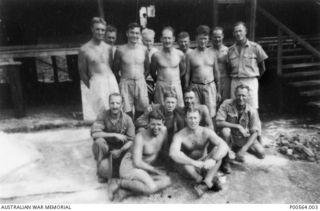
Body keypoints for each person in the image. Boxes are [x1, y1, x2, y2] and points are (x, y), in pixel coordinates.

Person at [108, 110, 171, 201]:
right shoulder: (140, 137)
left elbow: (164, 149)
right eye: (153, 124)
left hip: (145, 167)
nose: (156, 127)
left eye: (158, 124)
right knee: (152, 188)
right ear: (148, 123)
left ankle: (128, 191)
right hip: (130, 167)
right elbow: (137, 162)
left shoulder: (164, 131)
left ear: (163, 123)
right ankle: (119, 182)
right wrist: (154, 170)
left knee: (167, 180)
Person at [169, 107, 229, 197]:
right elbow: (173, 153)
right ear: (186, 119)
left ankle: (206, 181)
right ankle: (199, 179)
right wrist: (194, 162)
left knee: (217, 150)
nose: (193, 121)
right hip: (189, 168)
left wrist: (213, 159)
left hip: (203, 163)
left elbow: (224, 145)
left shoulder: (206, 131)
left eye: (195, 118)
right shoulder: (180, 135)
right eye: (190, 118)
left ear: (199, 119)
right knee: (181, 157)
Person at [78, 17, 119, 121]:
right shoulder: (84, 49)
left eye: (102, 30)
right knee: (101, 114)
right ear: (92, 29)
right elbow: (82, 73)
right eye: (97, 29)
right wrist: (93, 87)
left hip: (111, 81)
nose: (100, 32)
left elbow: (110, 65)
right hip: (97, 83)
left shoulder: (108, 47)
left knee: (115, 110)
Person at [216, 84, 265, 167]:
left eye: (243, 95)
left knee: (261, 153)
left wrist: (244, 149)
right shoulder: (227, 104)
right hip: (230, 136)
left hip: (244, 138)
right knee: (225, 131)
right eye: (239, 95)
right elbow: (218, 122)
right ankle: (225, 160)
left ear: (248, 96)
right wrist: (238, 126)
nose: (241, 98)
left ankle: (238, 150)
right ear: (235, 94)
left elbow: (255, 132)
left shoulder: (252, 111)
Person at [91, 93, 135, 182]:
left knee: (134, 147)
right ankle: (100, 172)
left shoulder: (127, 119)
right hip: (106, 146)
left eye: (118, 103)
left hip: (121, 147)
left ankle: (125, 169)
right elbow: (95, 134)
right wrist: (114, 134)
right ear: (109, 103)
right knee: (99, 143)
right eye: (112, 103)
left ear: (122, 104)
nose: (115, 106)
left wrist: (120, 150)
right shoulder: (102, 115)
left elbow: (131, 140)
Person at [113, 22, 150, 120]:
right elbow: (115, 69)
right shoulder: (120, 50)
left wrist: (140, 79)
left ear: (140, 34)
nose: (135, 35)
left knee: (142, 111)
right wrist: (122, 81)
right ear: (127, 33)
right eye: (132, 32)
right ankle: (129, 132)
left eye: (137, 33)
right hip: (125, 82)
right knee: (126, 111)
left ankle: (138, 131)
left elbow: (147, 68)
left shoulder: (144, 49)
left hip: (140, 82)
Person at [227, 22, 268, 110]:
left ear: (245, 31)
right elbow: (229, 68)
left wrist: (253, 79)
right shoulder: (230, 50)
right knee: (234, 109)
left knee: (252, 109)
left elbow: (262, 68)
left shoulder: (255, 47)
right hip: (235, 81)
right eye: (236, 32)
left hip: (250, 81)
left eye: (240, 31)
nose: (238, 33)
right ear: (233, 34)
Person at [185, 25, 221, 121]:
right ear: (196, 38)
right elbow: (188, 73)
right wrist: (187, 89)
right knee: (195, 112)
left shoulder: (213, 53)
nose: (203, 41)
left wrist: (219, 91)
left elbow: (217, 73)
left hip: (210, 86)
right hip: (195, 87)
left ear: (208, 39)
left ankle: (210, 133)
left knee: (211, 113)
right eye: (201, 39)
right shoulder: (190, 54)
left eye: (205, 39)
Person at [150, 26, 186, 107]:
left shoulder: (180, 54)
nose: (167, 41)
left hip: (176, 85)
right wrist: (161, 81)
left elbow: (183, 70)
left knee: (178, 110)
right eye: (165, 38)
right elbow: (152, 71)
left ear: (173, 39)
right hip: (161, 86)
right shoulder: (156, 55)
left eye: (169, 38)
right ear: (161, 39)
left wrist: (174, 80)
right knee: (160, 110)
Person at [211, 27, 230, 102]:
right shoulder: (208, 51)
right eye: (215, 37)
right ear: (212, 37)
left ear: (223, 36)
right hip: (212, 81)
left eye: (219, 37)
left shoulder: (227, 50)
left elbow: (231, 68)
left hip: (225, 80)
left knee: (226, 103)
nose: (217, 39)